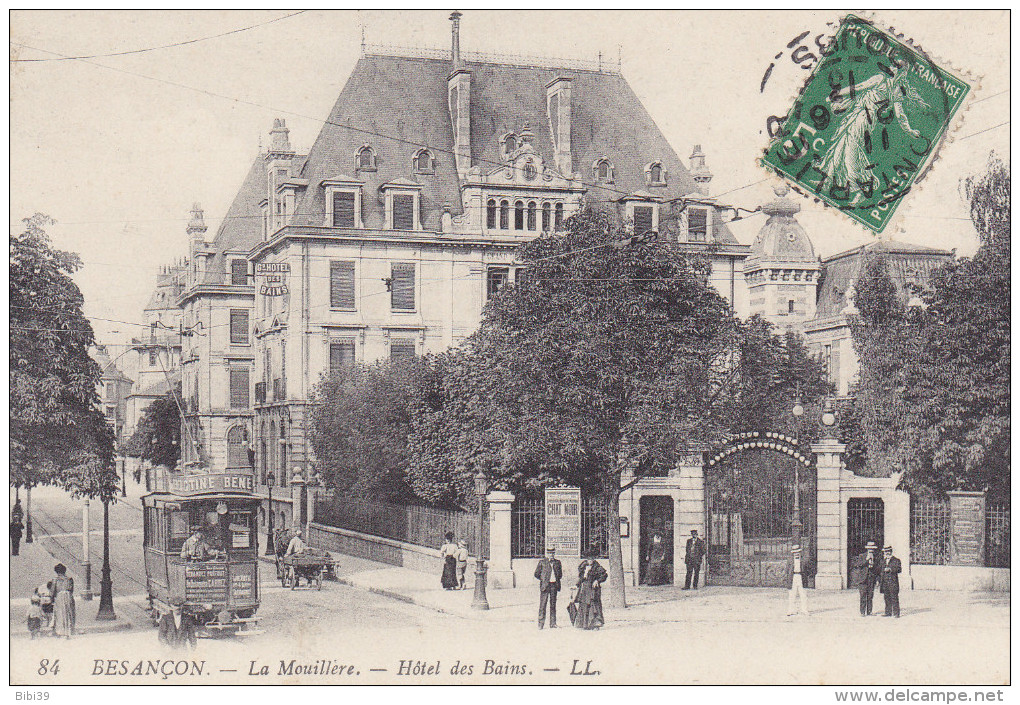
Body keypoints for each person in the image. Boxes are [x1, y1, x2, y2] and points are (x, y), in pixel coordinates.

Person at [573, 545, 608, 630]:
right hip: (584, 588)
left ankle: (595, 625)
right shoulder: (583, 566)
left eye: (592, 559)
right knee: (584, 605)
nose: (590, 561)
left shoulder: (597, 567)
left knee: (594, 606)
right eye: (588, 559)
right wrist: (576, 585)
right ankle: (585, 624)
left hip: (593, 589)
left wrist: (597, 581)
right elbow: (581, 578)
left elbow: (604, 575)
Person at [534, 545, 563, 629]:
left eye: (552, 553)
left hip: (554, 585)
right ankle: (540, 624)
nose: (551, 555)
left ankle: (553, 623)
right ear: (547, 553)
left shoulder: (558, 562)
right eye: (549, 553)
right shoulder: (542, 562)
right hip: (545, 586)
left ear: (554, 553)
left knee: (553, 605)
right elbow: (536, 574)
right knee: (543, 605)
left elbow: (560, 574)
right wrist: (543, 580)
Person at [852, 541, 882, 616]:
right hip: (863, 579)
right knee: (862, 596)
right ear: (867, 549)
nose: (871, 550)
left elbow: (878, 569)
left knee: (870, 596)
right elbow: (858, 565)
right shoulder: (862, 556)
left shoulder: (876, 557)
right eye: (870, 548)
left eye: (872, 548)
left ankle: (869, 611)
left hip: (871, 579)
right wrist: (866, 560)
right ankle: (862, 612)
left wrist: (878, 580)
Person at [50, 563, 75, 639]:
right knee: (68, 613)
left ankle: (60, 632)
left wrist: (52, 599)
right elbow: (71, 589)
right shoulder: (69, 579)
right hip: (68, 596)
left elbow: (53, 591)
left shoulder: (55, 580)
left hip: (59, 597)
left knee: (59, 615)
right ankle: (68, 632)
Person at [786, 544, 809, 616]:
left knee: (803, 594)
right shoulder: (790, 560)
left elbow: (807, 569)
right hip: (793, 577)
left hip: (801, 577)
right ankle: (791, 610)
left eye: (798, 552)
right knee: (792, 594)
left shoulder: (804, 560)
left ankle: (804, 610)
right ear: (793, 553)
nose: (796, 554)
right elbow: (787, 569)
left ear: (800, 552)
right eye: (795, 552)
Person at [880, 545, 902, 618]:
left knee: (894, 597)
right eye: (886, 552)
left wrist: (890, 569)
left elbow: (899, 569)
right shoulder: (883, 561)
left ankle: (896, 613)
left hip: (893, 582)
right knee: (886, 597)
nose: (887, 553)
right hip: (885, 582)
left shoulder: (896, 560)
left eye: (888, 551)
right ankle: (888, 612)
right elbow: (880, 570)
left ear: (891, 552)